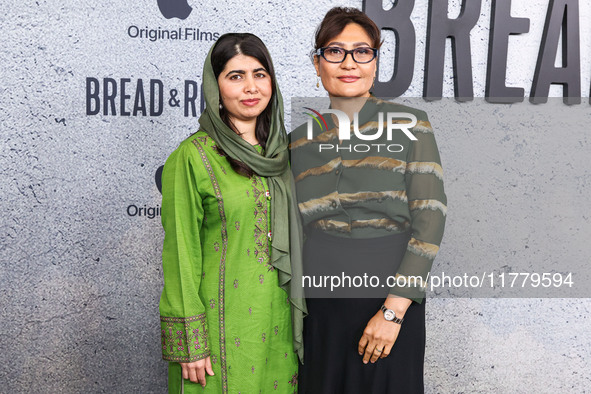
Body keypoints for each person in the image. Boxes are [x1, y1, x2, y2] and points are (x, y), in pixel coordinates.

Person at [289, 7, 446, 393]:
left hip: (389, 294)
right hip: (320, 303)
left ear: (375, 62)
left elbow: (431, 220)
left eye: (362, 52)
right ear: (317, 63)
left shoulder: (411, 126)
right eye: (335, 51)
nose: (349, 63)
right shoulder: (298, 141)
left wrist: (393, 312)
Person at [159, 33, 305, 393]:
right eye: (235, 76)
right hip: (219, 327)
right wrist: (190, 342)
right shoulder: (192, 157)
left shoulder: (287, 155)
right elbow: (181, 252)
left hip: (279, 323)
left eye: (260, 74)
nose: (251, 87)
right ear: (215, 87)